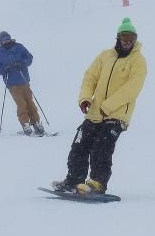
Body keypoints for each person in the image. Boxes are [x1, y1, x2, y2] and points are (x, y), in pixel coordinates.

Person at [53, 17, 147, 195]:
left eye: (131, 38)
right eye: (124, 37)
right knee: (79, 145)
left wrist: (108, 106)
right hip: (95, 113)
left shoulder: (138, 61)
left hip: (117, 115)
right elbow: (90, 77)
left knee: (101, 148)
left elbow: (132, 88)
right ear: (118, 37)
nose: (128, 42)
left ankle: (97, 183)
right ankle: (74, 180)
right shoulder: (105, 55)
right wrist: (85, 98)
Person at [0, 31, 45, 135]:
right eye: (4, 40)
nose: (6, 41)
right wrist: (5, 69)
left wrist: (22, 63)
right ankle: (25, 124)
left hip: (24, 79)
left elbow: (29, 57)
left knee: (30, 102)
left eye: (7, 38)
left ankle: (36, 123)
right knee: (21, 103)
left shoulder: (18, 47)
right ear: (1, 41)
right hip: (12, 83)